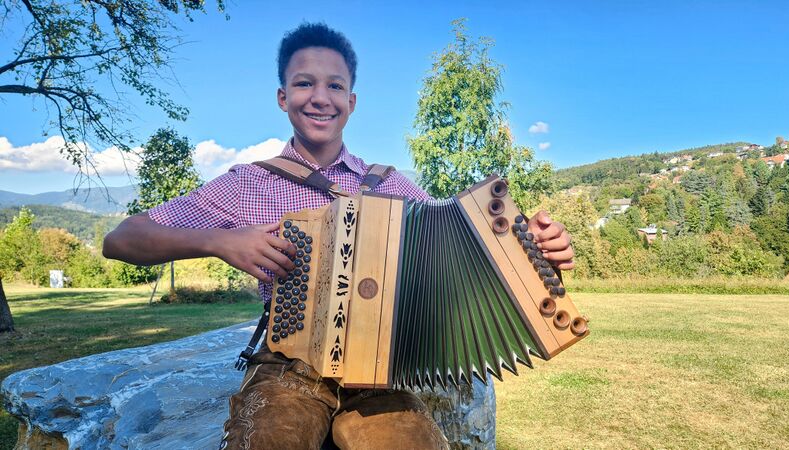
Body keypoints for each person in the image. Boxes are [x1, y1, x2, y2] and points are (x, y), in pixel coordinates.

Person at [103, 22, 575, 450]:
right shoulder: (248, 182)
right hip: (289, 366)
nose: (319, 97)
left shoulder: (389, 184)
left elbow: (467, 248)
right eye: (303, 83)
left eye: (335, 85)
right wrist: (220, 242)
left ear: (351, 101)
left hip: (380, 375)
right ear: (283, 97)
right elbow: (122, 239)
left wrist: (535, 250)